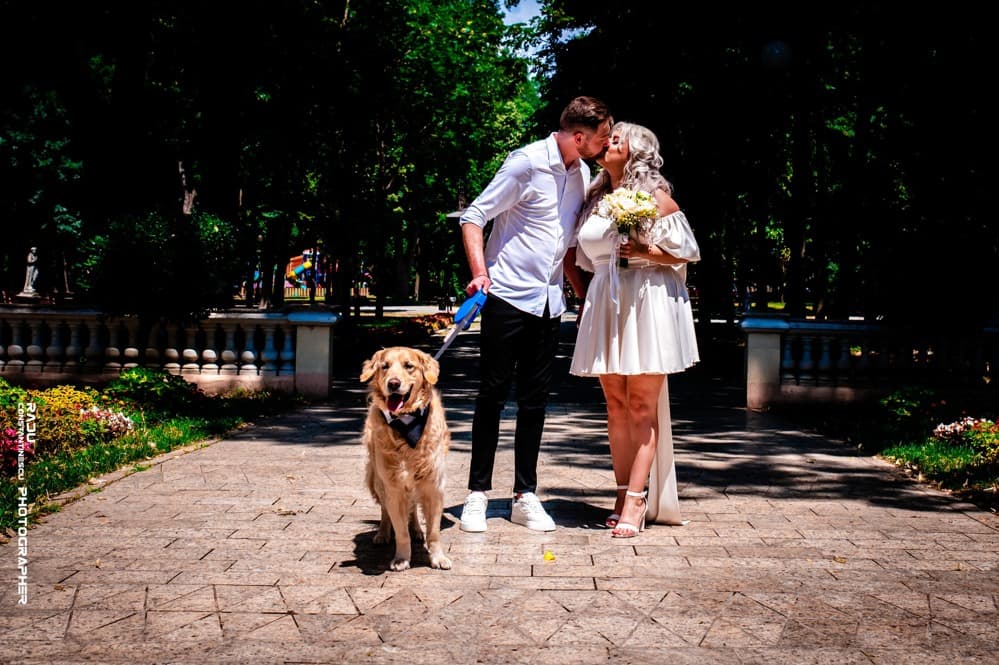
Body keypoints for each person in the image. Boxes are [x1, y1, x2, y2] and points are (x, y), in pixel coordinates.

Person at [458, 96, 613, 532]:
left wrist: (581, 296)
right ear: (578, 136)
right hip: (506, 295)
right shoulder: (525, 163)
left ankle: (525, 495)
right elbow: (474, 217)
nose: (604, 146)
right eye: (601, 138)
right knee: (491, 396)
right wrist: (479, 273)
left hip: (548, 304)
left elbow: (564, 247)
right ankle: (476, 495)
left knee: (535, 402)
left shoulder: (581, 173)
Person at [566, 122, 700, 538]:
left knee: (641, 405)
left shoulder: (655, 198)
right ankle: (622, 491)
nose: (609, 143)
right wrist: (585, 294)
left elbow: (688, 253)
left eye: (618, 139)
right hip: (608, 300)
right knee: (615, 406)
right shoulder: (595, 198)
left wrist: (644, 250)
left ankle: (637, 501)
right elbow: (582, 256)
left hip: (648, 303)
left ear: (636, 151)